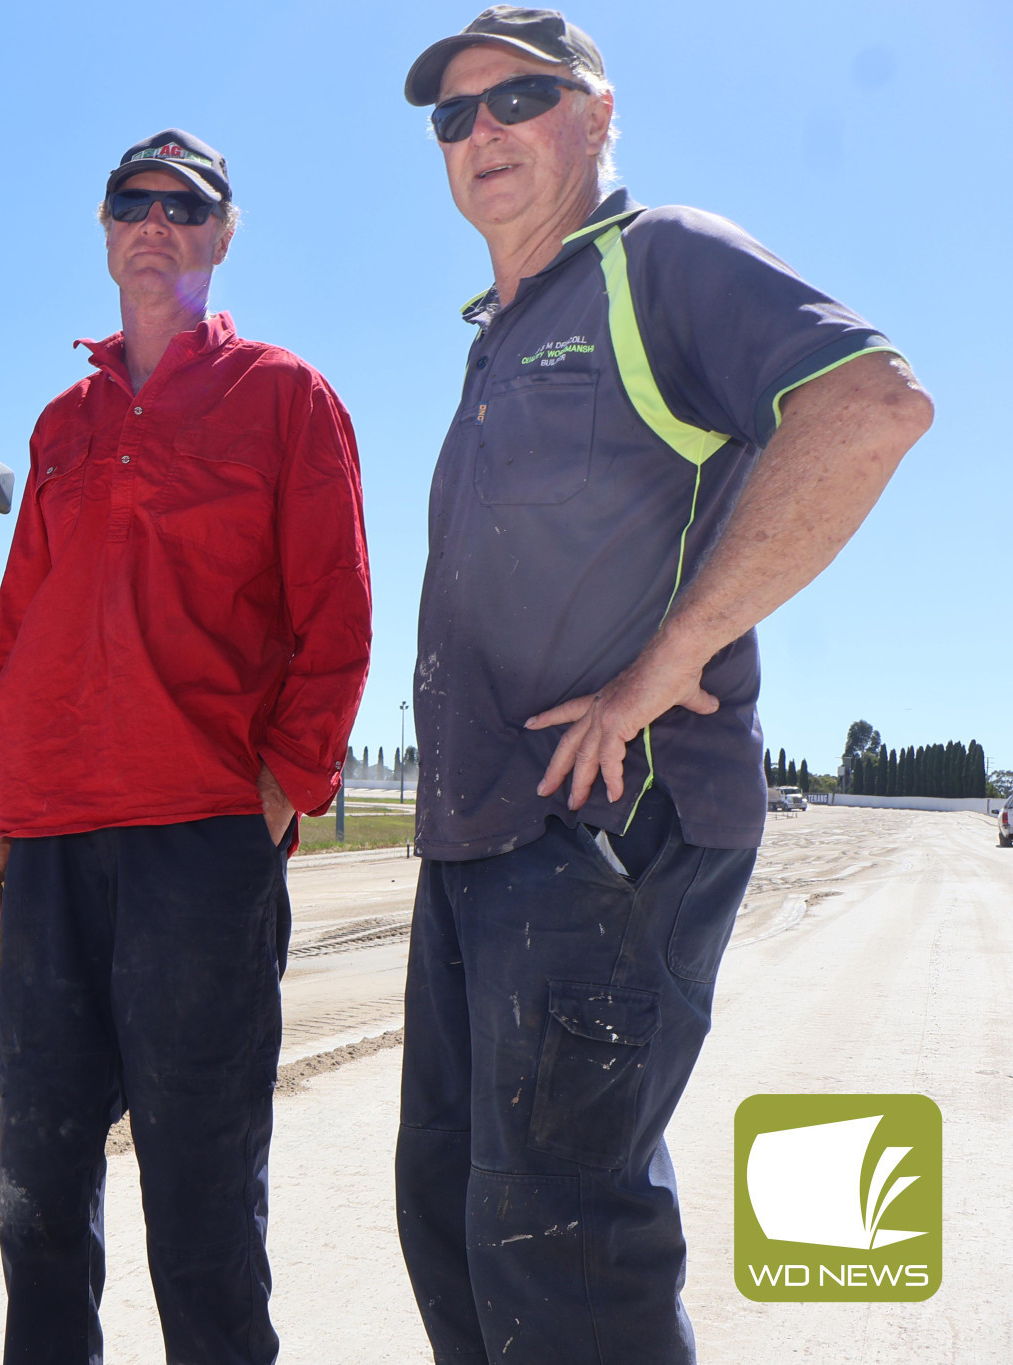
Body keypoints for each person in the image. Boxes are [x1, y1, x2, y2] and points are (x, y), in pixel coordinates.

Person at [393, 9, 934, 1362]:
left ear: (599, 113)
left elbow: (871, 405)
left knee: (559, 1247)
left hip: (603, 835)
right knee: (453, 1224)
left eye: (518, 97)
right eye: (454, 117)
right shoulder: (500, 336)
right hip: (477, 847)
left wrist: (660, 667)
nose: (482, 133)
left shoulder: (658, 263)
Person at [0, 129, 371, 1365]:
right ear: (101, 232)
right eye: (129, 203)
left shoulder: (281, 398)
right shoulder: (61, 424)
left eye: (182, 206)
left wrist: (281, 786)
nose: (154, 223)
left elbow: (334, 614)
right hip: (47, 844)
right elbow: (18, 619)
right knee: (36, 1201)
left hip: (198, 845)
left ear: (220, 234)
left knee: (196, 1211)